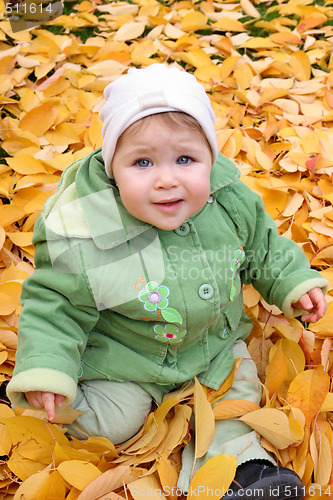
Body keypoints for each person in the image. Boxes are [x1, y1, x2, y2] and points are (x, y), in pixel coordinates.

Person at [7, 63, 328, 499]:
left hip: (214, 344)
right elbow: (56, 306)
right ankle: (33, 401)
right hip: (125, 359)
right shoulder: (84, 229)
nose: (166, 179)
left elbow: (263, 247)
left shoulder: (228, 202)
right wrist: (48, 368)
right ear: (111, 166)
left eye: (185, 159)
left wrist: (291, 281)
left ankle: (243, 474)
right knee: (110, 423)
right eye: (142, 162)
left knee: (239, 397)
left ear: (210, 158)